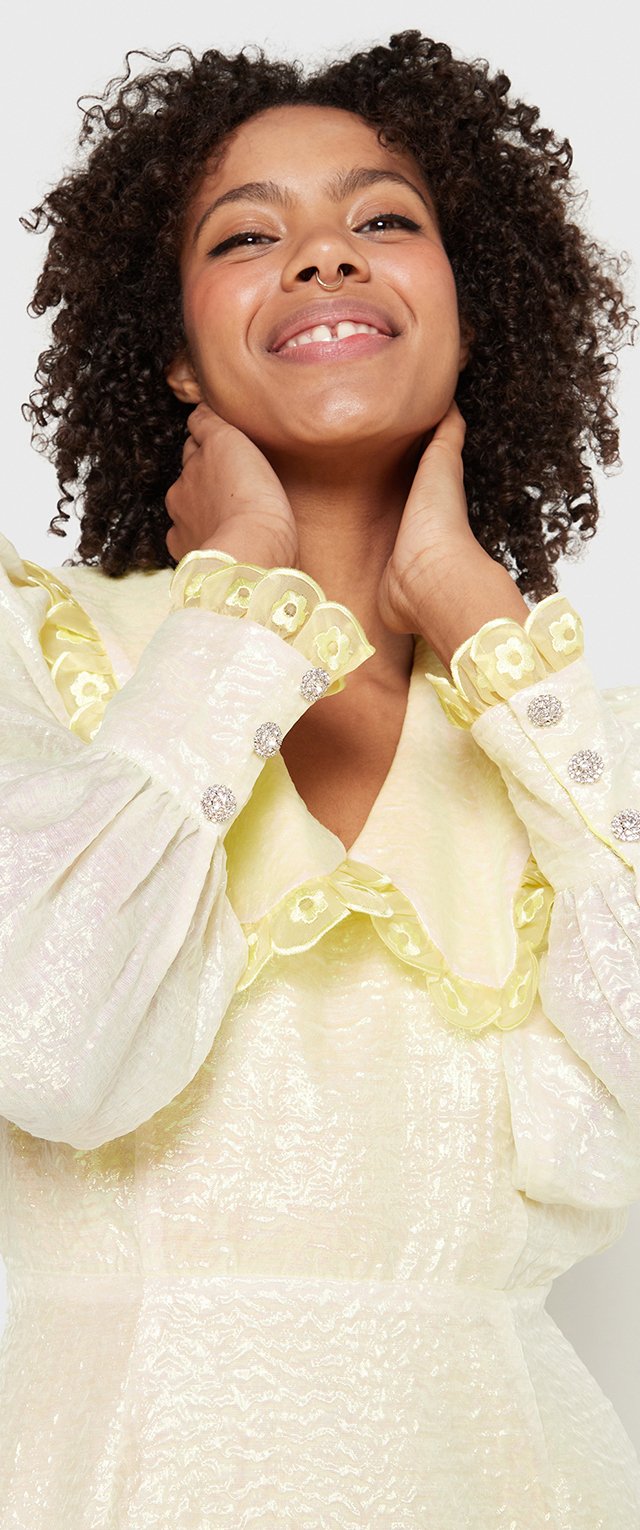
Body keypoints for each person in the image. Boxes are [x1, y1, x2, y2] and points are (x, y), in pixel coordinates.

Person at [1, 28, 639, 1528]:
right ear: (173, 349)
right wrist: (239, 590)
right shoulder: (45, 651)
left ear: (472, 312)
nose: (325, 257)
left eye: (383, 220)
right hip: (117, 1475)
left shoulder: (564, 738)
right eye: (246, 236)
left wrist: (484, 625)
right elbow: (50, 1046)